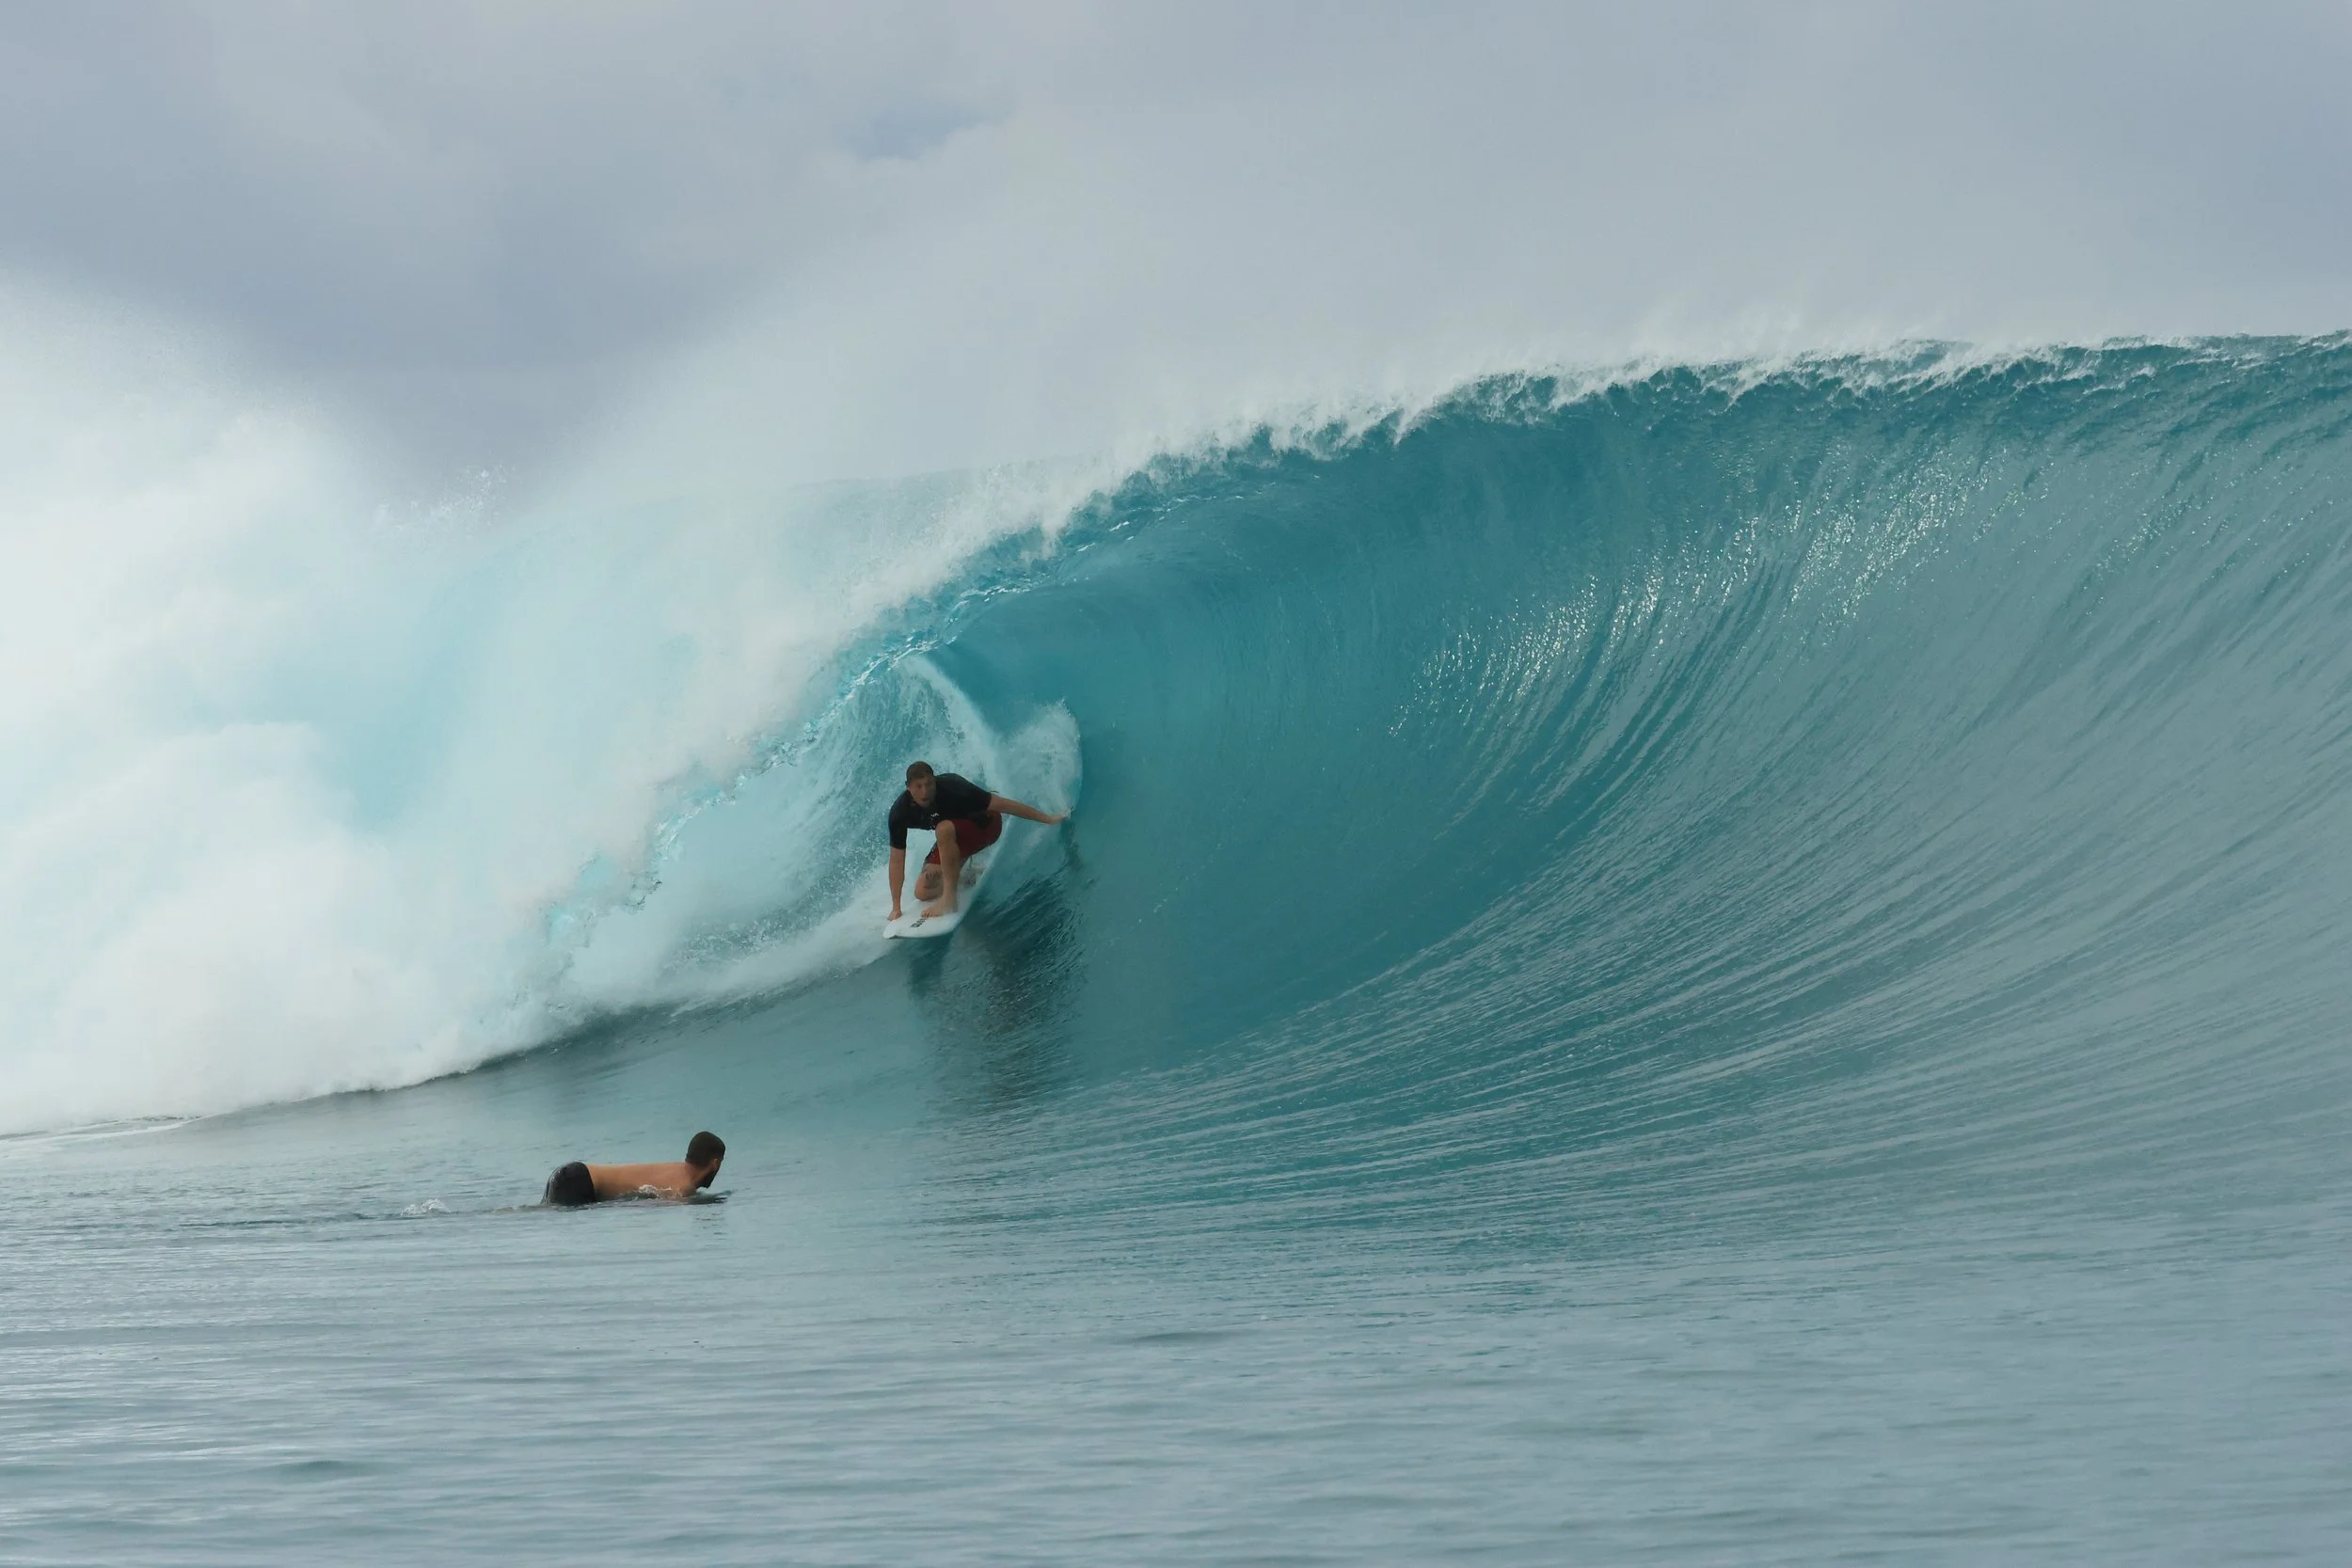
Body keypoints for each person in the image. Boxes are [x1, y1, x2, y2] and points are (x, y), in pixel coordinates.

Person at [887, 760, 1066, 921]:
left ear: (935, 780)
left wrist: (1048, 819)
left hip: (985, 826)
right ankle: (965, 878)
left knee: (943, 829)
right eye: (919, 786)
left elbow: (1004, 805)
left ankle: (949, 900)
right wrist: (896, 907)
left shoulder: (952, 786)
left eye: (929, 784)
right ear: (908, 787)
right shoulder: (900, 813)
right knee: (922, 891)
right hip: (955, 838)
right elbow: (896, 859)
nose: (925, 791)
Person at [543, 1131, 725, 1207]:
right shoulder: (685, 1187)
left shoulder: (676, 1169)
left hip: (572, 1174)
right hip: (578, 1183)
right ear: (715, 1163)